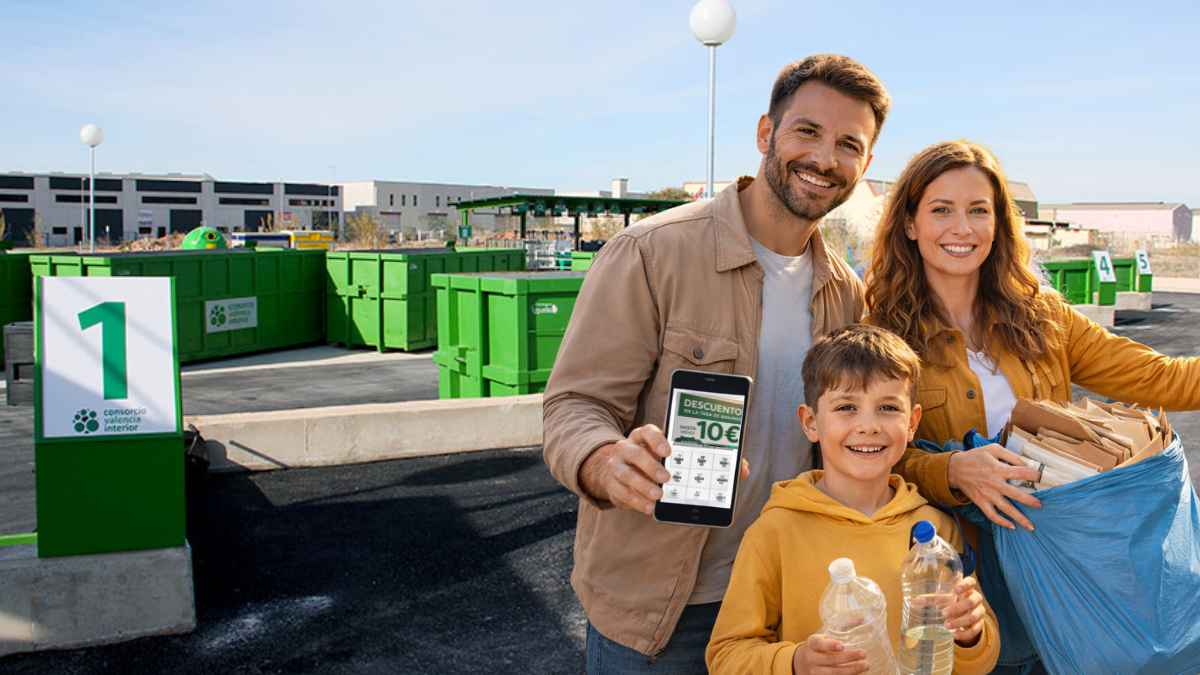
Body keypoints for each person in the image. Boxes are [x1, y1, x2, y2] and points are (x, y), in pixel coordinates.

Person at [542, 54, 890, 672]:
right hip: (666, 610)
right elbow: (576, 405)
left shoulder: (845, 293)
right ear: (766, 133)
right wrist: (604, 460)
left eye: (848, 145)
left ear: (864, 166)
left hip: (787, 598)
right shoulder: (652, 253)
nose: (824, 159)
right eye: (807, 131)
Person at [865, 139, 1200, 671]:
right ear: (909, 223)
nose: (962, 228)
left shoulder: (1043, 317)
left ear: (998, 223)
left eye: (979, 210)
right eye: (941, 210)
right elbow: (864, 452)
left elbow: (1162, 378)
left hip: (1067, 574)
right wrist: (951, 469)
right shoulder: (880, 332)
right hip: (959, 588)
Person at [706, 324, 999, 674]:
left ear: (913, 422)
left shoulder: (936, 531)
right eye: (847, 407)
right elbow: (726, 656)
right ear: (811, 422)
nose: (868, 425)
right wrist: (796, 663)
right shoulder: (776, 531)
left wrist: (969, 636)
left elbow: (977, 662)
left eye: (888, 408)